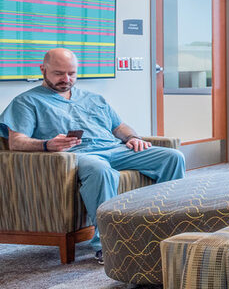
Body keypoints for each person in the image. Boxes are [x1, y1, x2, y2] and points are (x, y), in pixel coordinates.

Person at [0, 48, 186, 264]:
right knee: (100, 170)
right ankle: (108, 245)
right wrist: (47, 144)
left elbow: (119, 127)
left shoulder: (93, 98)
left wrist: (132, 138)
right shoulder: (27, 101)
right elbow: (16, 142)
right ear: (43, 70)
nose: (66, 79)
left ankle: (166, 230)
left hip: (115, 149)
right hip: (77, 156)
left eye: (71, 73)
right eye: (59, 73)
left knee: (172, 157)